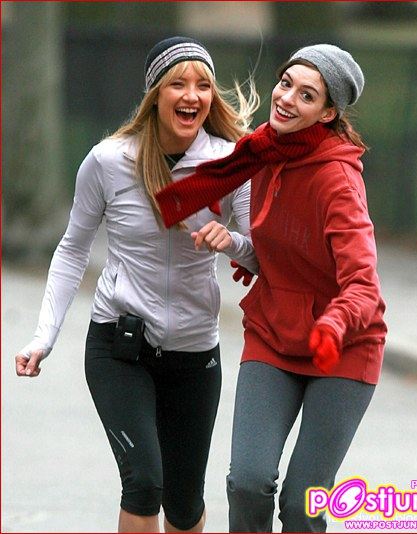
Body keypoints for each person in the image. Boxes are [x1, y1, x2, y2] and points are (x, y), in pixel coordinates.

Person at [15, 36, 259, 533]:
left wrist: (231, 241)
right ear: (155, 94)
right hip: (120, 345)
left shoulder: (231, 163)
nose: (192, 95)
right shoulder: (109, 161)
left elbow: (261, 256)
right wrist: (43, 336)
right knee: (144, 482)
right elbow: (72, 249)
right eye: (178, 84)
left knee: (184, 504)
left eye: (203, 85)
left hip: (194, 351)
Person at [155, 43, 387, 532]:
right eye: (286, 84)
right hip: (274, 334)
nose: (286, 99)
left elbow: (364, 285)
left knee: (302, 505)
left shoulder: (338, 181)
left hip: (341, 346)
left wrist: (333, 325)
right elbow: (197, 190)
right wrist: (234, 245)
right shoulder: (264, 148)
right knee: (247, 483)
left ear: (327, 113)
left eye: (307, 95)